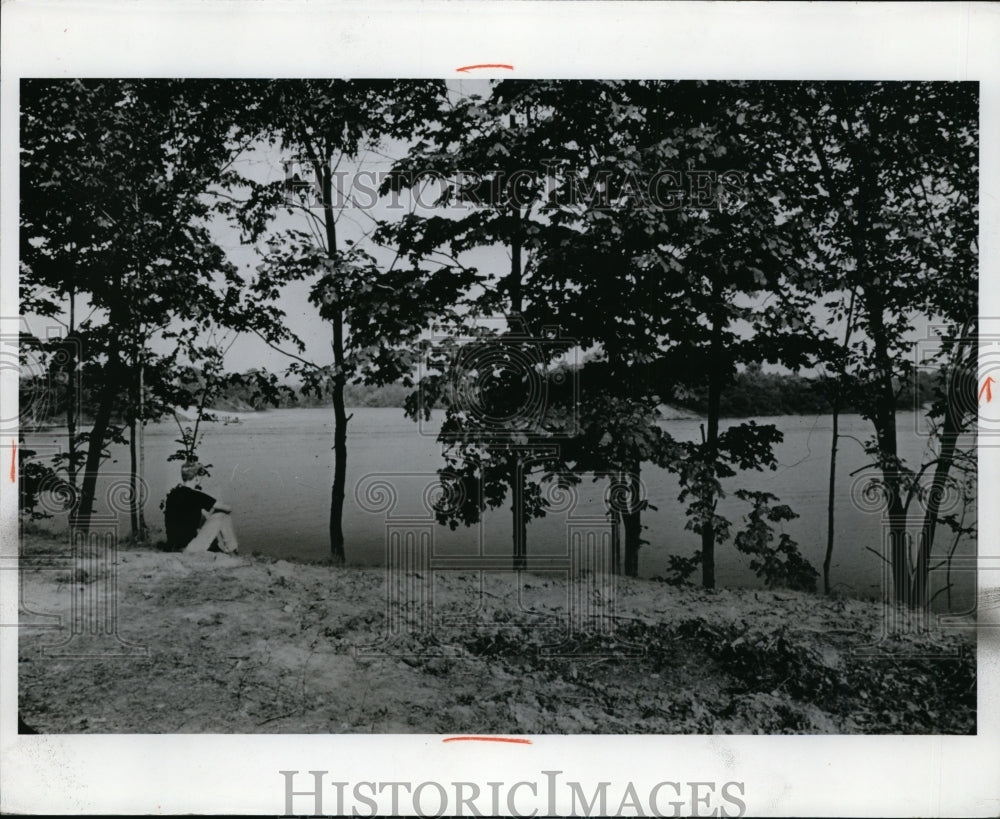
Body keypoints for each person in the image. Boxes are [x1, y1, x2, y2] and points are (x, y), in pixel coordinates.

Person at [163, 461, 240, 554]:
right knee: (222, 516)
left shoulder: (172, 494)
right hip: (189, 549)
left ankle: (219, 548)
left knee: (203, 516)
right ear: (196, 478)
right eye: (200, 477)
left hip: (173, 547)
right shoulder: (196, 495)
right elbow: (228, 508)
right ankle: (232, 550)